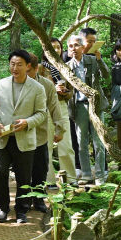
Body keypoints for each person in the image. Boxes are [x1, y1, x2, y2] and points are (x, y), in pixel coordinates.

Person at [0, 50, 47, 223]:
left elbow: (41, 113)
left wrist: (28, 122)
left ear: (28, 66)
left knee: (24, 176)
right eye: (12, 64)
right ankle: (2, 208)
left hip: (24, 138)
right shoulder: (1, 84)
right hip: (2, 138)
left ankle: (22, 210)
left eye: (19, 64)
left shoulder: (37, 88)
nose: (15, 68)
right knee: (0, 174)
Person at [67, 35, 109, 185]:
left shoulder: (92, 60)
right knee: (81, 142)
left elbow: (106, 75)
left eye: (76, 45)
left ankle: (99, 175)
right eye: (71, 46)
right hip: (78, 107)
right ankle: (85, 173)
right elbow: (66, 89)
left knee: (99, 142)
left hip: (95, 106)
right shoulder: (66, 67)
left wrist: (100, 60)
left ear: (83, 47)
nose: (74, 49)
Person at [27, 52, 65, 213]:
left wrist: (60, 128)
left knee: (41, 166)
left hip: (41, 131)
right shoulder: (12, 83)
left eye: (29, 70)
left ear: (37, 69)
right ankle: (24, 199)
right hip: (21, 132)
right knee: (23, 167)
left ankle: (39, 197)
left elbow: (55, 108)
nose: (25, 73)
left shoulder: (46, 85)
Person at [40, 39, 76, 186]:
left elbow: (71, 91)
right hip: (45, 108)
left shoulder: (65, 67)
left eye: (58, 47)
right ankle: (48, 180)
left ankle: (70, 179)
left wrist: (64, 92)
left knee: (66, 144)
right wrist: (52, 89)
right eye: (52, 47)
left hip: (61, 106)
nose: (56, 50)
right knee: (46, 144)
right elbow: (37, 89)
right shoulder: (40, 68)